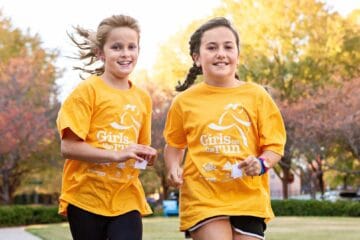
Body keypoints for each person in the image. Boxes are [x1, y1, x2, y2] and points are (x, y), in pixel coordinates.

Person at [163, 17, 286, 240]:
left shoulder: (257, 96)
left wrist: (260, 163)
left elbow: (274, 147)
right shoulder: (184, 101)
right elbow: (174, 145)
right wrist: (172, 167)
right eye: (212, 47)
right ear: (197, 58)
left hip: (249, 199)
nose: (221, 53)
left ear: (238, 55)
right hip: (203, 198)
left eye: (228, 47)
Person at [56, 14, 157, 240]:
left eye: (132, 47)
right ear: (101, 53)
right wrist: (116, 154)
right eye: (117, 47)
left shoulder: (143, 98)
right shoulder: (86, 92)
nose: (126, 53)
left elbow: (138, 147)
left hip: (126, 196)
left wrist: (145, 155)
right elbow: (68, 147)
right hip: (86, 197)